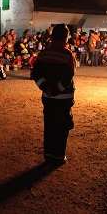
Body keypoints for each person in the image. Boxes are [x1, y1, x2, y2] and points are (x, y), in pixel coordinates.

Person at [32, 23, 75, 166]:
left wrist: (46, 88)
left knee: (49, 125)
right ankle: (58, 157)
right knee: (62, 127)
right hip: (63, 98)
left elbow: (36, 74)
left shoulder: (43, 54)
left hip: (48, 97)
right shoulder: (67, 55)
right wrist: (57, 89)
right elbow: (68, 77)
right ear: (65, 37)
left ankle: (48, 155)